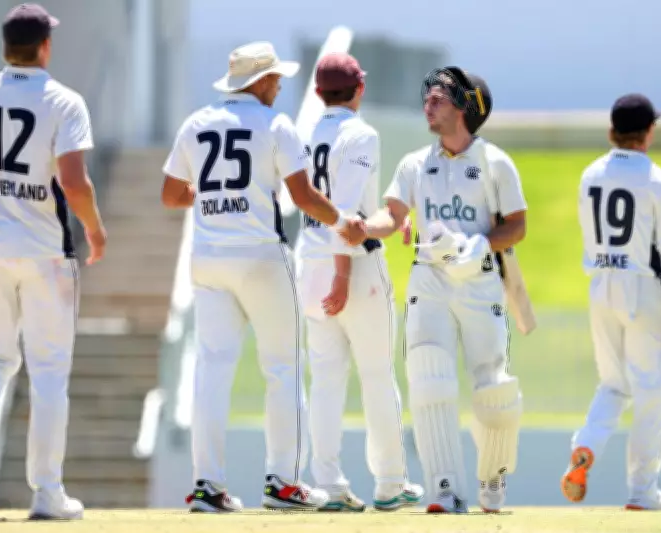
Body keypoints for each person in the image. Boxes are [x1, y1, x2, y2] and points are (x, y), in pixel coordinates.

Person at [161, 41, 366, 513]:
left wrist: (215, 195)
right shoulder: (275, 123)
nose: (279, 86)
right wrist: (343, 224)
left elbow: (171, 195)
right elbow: (305, 196)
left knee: (212, 369)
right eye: (274, 78)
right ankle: (283, 482)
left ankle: (206, 486)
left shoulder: (196, 122)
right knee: (283, 367)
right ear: (258, 80)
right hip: (259, 257)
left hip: (208, 257)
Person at [0, 3, 105, 520]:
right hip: (45, 254)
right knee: (49, 372)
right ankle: (47, 492)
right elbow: (75, 183)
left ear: (3, 47)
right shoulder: (64, 101)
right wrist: (96, 230)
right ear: (45, 47)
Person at [352, 67, 527, 513]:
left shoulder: (495, 163)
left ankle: (493, 477)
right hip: (428, 279)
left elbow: (516, 226)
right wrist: (363, 227)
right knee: (429, 380)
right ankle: (444, 490)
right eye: (427, 97)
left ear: (467, 107)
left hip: (479, 281)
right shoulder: (414, 163)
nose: (428, 104)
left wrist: (480, 243)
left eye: (439, 98)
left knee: (493, 391)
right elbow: (392, 216)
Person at [293, 52, 424, 512]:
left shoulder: (304, 132)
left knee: (326, 380)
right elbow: (347, 213)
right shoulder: (361, 133)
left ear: (317, 92)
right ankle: (390, 483)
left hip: (308, 261)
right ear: (359, 89)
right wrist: (344, 273)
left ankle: (327, 485)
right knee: (375, 375)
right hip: (353, 268)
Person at [561, 94, 661, 511]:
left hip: (600, 285)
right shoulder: (660, 180)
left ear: (612, 132)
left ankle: (586, 446)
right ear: (649, 132)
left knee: (614, 384)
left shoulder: (589, 174)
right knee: (651, 389)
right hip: (642, 287)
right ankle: (642, 491)